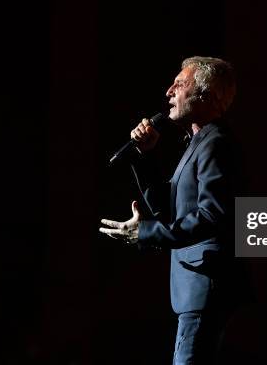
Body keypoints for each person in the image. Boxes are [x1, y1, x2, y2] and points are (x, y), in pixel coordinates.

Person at [99, 56, 239, 364]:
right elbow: (168, 210)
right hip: (194, 291)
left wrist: (145, 232)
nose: (168, 91)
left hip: (205, 284)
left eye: (180, 83)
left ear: (206, 93)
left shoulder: (215, 143)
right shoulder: (198, 143)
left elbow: (212, 215)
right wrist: (145, 156)